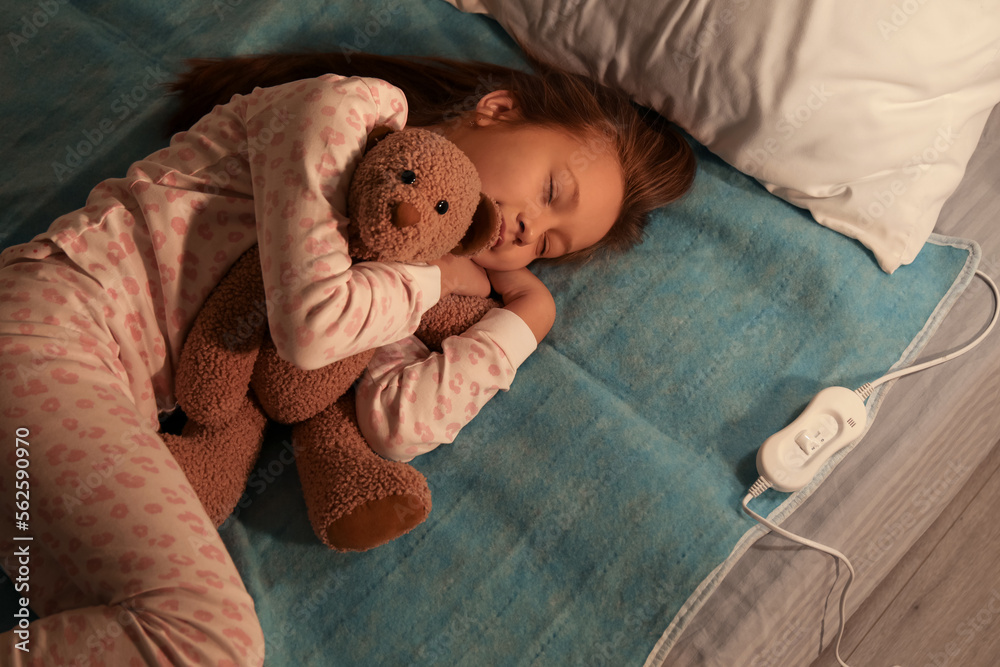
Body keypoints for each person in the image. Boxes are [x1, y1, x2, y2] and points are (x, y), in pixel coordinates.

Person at [0, 51, 695, 664]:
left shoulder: (392, 278)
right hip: (50, 326)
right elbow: (310, 327)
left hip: (91, 399)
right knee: (206, 640)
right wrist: (435, 280)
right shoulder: (349, 110)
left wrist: (523, 322)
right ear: (499, 110)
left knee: (80, 626)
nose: (523, 232)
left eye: (545, 245)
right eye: (551, 193)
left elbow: (399, 424)